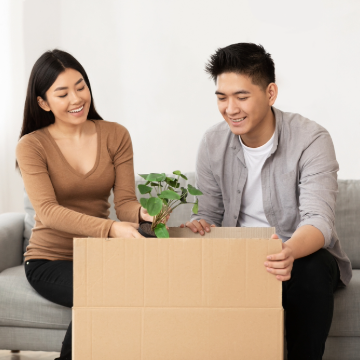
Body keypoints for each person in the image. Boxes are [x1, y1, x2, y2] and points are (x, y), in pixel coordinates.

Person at [182, 43, 352, 360]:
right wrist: (200, 225)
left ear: (270, 93)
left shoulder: (311, 139)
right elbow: (209, 213)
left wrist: (285, 252)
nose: (230, 108)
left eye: (241, 97)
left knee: (310, 268)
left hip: (299, 254)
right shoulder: (212, 142)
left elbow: (319, 221)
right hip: (238, 257)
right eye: (222, 97)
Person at [16, 49, 152, 360]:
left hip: (101, 256)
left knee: (152, 265)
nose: (76, 99)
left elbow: (126, 202)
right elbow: (48, 212)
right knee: (104, 291)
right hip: (50, 261)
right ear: (43, 102)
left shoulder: (115, 135)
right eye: (62, 93)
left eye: (80, 86)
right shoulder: (32, 146)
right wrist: (111, 228)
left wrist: (142, 214)